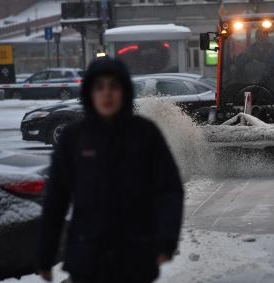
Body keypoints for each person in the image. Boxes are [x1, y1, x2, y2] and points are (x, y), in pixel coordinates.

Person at [37, 57, 184, 282]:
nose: (107, 94)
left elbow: (169, 190)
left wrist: (166, 240)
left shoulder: (144, 134)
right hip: (87, 256)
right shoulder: (74, 138)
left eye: (113, 86)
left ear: (124, 91)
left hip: (135, 257)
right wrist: (45, 255)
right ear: (89, 92)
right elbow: (56, 200)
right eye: (99, 87)